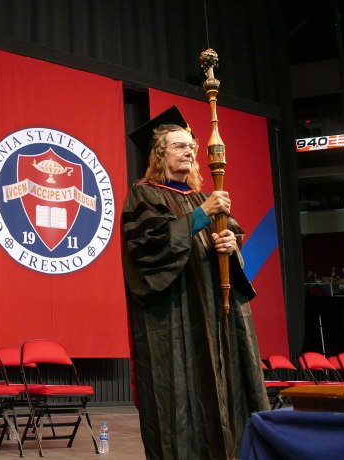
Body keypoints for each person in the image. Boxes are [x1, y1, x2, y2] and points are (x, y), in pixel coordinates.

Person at [121, 106, 268, 460]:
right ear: (160, 153)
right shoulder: (144, 196)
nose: (190, 151)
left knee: (230, 391)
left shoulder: (206, 197)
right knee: (181, 403)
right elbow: (149, 251)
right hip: (175, 320)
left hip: (219, 317)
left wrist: (231, 246)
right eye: (179, 146)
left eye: (191, 146)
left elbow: (232, 248)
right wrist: (202, 216)